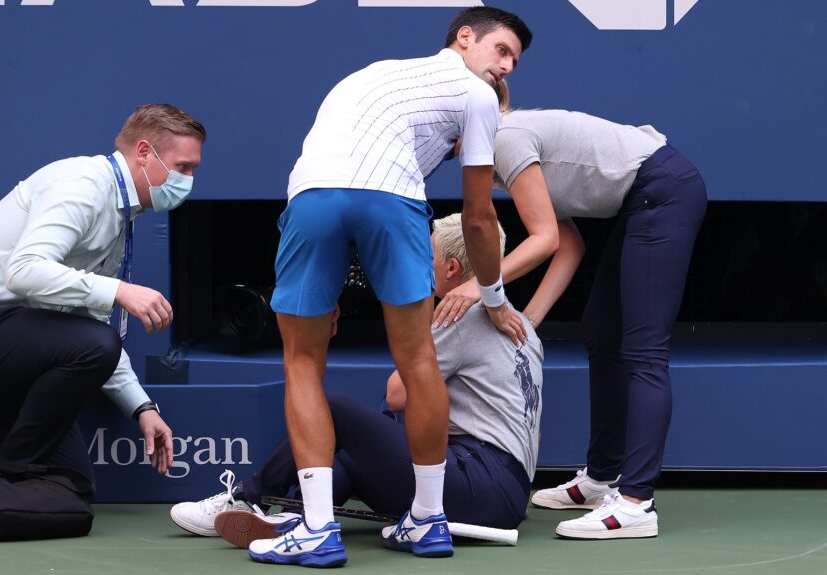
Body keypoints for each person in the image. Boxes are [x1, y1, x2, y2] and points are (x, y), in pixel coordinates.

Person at [259, 6, 533, 567]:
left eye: (513, 61)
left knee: (302, 361)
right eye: (502, 51)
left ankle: (315, 529)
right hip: (391, 202)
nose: (506, 68)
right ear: (464, 38)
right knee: (418, 359)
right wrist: (494, 298)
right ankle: (428, 522)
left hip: (312, 197)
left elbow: (345, 179)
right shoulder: (479, 96)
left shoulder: (373, 74)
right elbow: (479, 220)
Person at [170, 213, 542, 552]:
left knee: (338, 411)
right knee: (350, 455)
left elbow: (397, 395)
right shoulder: (522, 322)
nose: (422, 267)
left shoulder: (459, 314)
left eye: (427, 259)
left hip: (477, 482)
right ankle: (299, 515)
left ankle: (249, 496)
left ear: (451, 267)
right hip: (506, 495)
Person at [433, 81, 707, 540]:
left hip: (662, 191)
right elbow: (571, 244)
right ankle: (603, 478)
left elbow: (546, 241)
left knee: (643, 353)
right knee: (601, 331)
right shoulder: (503, 151)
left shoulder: (506, 139)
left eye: (446, 132)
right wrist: (528, 322)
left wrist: (482, 289)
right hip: (643, 199)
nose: (444, 145)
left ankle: (637, 502)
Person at [0, 103, 206, 499]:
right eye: (183, 167)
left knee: (73, 486)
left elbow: (84, 324)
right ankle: (7, 476)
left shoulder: (119, 211)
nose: (189, 180)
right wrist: (120, 291)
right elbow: (23, 270)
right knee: (98, 344)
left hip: (0, 349)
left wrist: (142, 407)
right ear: (144, 152)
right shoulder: (83, 185)